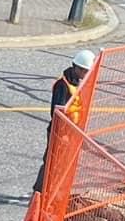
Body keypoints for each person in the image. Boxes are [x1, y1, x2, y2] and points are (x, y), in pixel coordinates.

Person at [32, 50, 97, 198]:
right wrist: (63, 133)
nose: (87, 74)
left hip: (70, 130)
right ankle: (39, 192)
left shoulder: (76, 82)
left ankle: (50, 191)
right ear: (78, 68)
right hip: (60, 131)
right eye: (85, 71)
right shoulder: (63, 85)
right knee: (51, 162)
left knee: (60, 164)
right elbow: (57, 111)